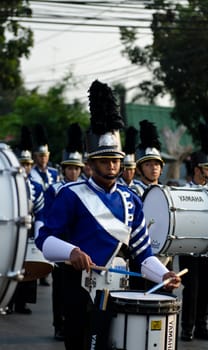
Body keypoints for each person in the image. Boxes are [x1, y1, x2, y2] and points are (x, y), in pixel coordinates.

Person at [35, 80, 181, 350]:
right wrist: (71, 252)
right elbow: (44, 240)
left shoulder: (131, 200)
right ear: (90, 163)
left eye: (115, 160)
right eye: (105, 160)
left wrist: (163, 275)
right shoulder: (70, 194)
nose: (112, 166)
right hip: (77, 288)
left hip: (116, 289)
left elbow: (143, 252)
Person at [179, 122, 208, 342]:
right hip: (188, 245)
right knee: (191, 287)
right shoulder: (182, 192)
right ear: (197, 169)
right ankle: (187, 328)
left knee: (207, 287)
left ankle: (202, 327)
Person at [44, 123, 84, 341]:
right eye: (70, 168)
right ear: (63, 169)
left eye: (77, 168)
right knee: (59, 288)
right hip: (61, 244)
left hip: (78, 244)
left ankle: (73, 323)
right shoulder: (54, 189)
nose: (74, 172)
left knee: (77, 290)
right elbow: (50, 216)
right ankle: (58, 324)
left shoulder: (86, 189)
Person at [8, 126, 45, 314]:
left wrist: (38, 235)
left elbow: (41, 212)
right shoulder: (10, 185)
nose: (26, 167)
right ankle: (8, 300)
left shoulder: (37, 187)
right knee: (11, 263)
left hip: (29, 231)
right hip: (13, 230)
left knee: (28, 267)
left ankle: (22, 303)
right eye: (22, 164)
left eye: (28, 164)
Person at [30, 124, 59, 286]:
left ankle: (48, 269)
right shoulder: (31, 173)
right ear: (35, 156)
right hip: (38, 213)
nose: (43, 159)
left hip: (52, 212)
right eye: (40, 156)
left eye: (45, 155)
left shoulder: (54, 173)